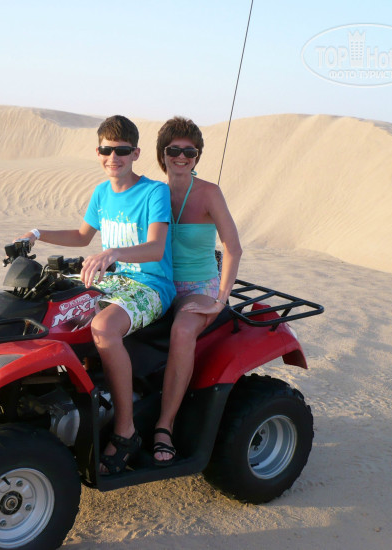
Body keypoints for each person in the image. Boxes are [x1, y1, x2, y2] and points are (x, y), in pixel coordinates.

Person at [17, 115, 175, 474]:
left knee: (103, 327)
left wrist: (114, 253)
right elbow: (81, 235)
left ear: (135, 153)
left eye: (121, 151)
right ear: (98, 152)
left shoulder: (154, 192)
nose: (113, 158)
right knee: (51, 305)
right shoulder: (102, 192)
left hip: (150, 284)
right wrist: (37, 234)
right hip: (113, 280)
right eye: (106, 150)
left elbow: (155, 248)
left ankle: (126, 430)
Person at [152, 116, 242, 466]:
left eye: (190, 151)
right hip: (158, 283)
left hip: (198, 286)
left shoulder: (208, 193)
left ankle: (165, 425)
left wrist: (220, 300)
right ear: (162, 153)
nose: (181, 156)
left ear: (197, 156)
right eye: (174, 149)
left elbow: (233, 248)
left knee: (182, 329)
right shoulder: (154, 193)